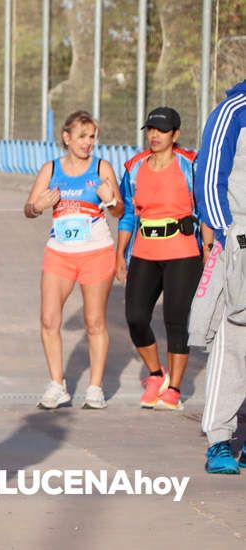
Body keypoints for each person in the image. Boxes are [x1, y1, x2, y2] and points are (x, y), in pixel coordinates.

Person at [24, 110, 123, 410]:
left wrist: (111, 200)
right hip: (60, 253)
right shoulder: (51, 168)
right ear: (67, 138)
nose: (88, 143)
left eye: (92, 137)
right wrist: (38, 206)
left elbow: (119, 212)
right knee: (49, 319)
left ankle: (95, 387)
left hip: (96, 252)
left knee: (94, 322)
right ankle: (57, 384)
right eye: (82, 136)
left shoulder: (102, 167)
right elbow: (29, 208)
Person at [116, 107, 209, 411]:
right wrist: (120, 254)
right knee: (136, 317)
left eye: (162, 130)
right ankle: (156, 375)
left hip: (183, 252)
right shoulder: (134, 167)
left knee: (176, 320)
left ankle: (175, 390)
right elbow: (128, 214)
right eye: (150, 130)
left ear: (175, 135)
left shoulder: (191, 164)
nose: (154, 135)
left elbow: (206, 208)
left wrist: (208, 249)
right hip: (144, 251)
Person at [192, 78, 246, 474]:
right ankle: (219, 438)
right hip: (240, 238)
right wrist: (223, 232)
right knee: (233, 342)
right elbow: (210, 175)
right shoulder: (233, 111)